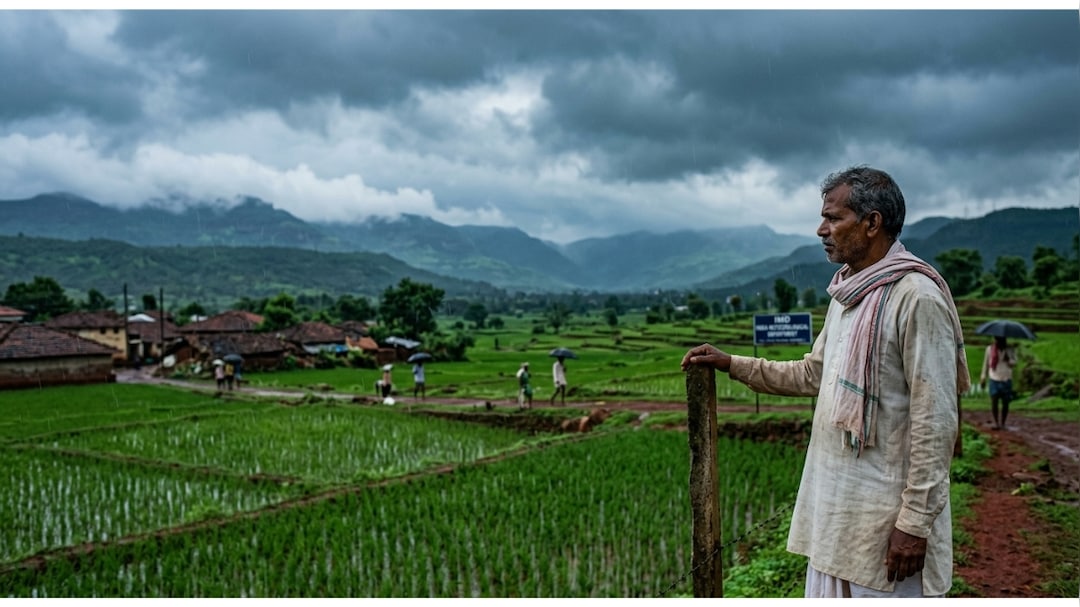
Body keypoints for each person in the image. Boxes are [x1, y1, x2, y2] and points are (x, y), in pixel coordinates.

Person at [682, 166, 970, 598]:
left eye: (833, 218)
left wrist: (914, 524)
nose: (821, 230)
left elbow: (936, 423)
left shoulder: (916, 298)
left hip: (885, 524)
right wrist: (732, 364)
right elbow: (813, 373)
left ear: (872, 223)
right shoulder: (847, 296)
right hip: (836, 516)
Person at [980, 336, 1017, 429]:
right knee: (994, 401)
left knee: (1006, 402)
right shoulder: (989, 349)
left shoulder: (1010, 350)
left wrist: (1009, 360)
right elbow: (986, 363)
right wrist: (983, 376)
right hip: (994, 378)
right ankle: (996, 422)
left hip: (1006, 378)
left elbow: (1015, 362)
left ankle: (1003, 423)